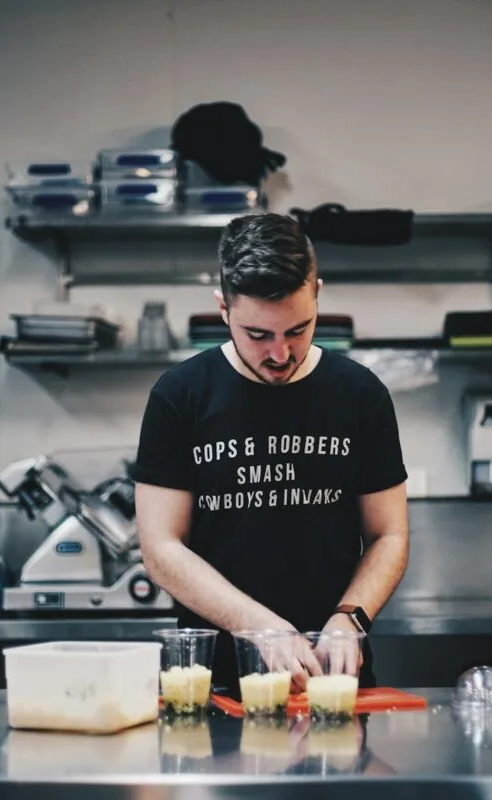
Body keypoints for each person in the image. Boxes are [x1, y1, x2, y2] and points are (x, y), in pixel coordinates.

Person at [131, 212, 409, 693]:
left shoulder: (360, 394)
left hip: (332, 682)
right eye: (258, 335)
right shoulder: (179, 395)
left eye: (298, 330)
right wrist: (258, 626)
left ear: (317, 293)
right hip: (212, 685)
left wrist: (350, 619)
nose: (280, 354)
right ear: (223, 308)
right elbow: (160, 548)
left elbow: (389, 535)